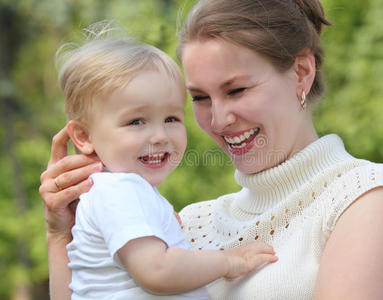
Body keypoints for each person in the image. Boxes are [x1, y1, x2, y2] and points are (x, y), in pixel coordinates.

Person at [40, 0, 383, 299]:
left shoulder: (364, 195)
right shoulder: (191, 222)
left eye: (236, 90)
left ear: (301, 73)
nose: (218, 120)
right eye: (200, 98)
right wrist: (61, 235)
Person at [51, 29, 278, 299]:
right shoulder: (120, 190)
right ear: (84, 136)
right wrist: (228, 261)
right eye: (136, 121)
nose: (160, 136)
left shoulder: (123, 193)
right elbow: (156, 270)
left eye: (171, 119)